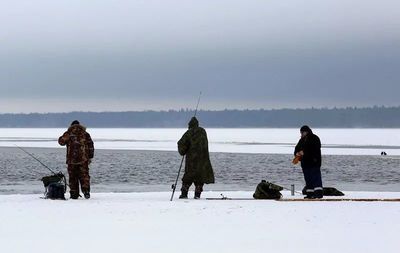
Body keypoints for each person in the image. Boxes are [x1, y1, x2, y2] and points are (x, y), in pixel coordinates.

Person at [177, 117, 215, 199]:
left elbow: (181, 144)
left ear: (190, 125)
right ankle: (197, 195)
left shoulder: (189, 133)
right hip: (203, 160)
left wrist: (183, 150)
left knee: (187, 178)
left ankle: (184, 194)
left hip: (192, 160)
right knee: (200, 178)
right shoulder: (203, 131)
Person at [58, 120, 94, 199]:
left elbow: (61, 142)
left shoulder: (68, 133)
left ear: (71, 125)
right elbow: (91, 145)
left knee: (73, 177)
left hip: (72, 160)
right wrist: (90, 157)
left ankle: (74, 194)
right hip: (84, 160)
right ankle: (86, 192)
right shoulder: (85, 134)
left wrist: (63, 136)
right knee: (84, 176)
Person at [294, 125, 323, 199]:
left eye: (302, 132)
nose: (301, 134)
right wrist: (297, 153)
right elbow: (297, 148)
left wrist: (305, 153)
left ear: (306, 131)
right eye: (301, 132)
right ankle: (310, 194)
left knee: (316, 178)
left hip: (314, 162)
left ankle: (318, 194)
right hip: (305, 164)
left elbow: (315, 149)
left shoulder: (314, 138)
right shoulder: (301, 140)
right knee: (308, 179)